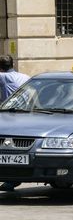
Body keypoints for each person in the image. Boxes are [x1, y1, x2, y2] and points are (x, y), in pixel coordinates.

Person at [0, 55, 29, 192]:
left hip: (11, 117)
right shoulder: (25, 77)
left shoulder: (4, 78)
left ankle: (11, 180)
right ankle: (12, 179)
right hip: (28, 115)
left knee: (9, 148)